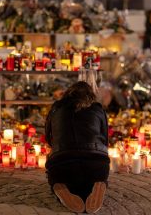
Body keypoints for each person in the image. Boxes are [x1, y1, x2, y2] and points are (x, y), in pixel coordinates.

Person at [45, 81, 109, 213]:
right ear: (91, 95)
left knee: (57, 177)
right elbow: (105, 139)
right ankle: (98, 182)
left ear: (68, 94)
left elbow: (48, 138)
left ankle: (59, 185)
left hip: (62, 164)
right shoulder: (98, 108)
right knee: (93, 175)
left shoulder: (56, 107)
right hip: (96, 164)